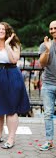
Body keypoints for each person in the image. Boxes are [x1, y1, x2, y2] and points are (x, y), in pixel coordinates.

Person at [0, 22, 30, 149]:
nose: (1, 31)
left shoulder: (14, 44)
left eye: (3, 29)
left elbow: (14, 60)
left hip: (10, 75)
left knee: (11, 108)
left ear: (7, 31)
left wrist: (7, 45)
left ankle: (11, 138)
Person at [38, 20, 56, 151]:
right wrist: (48, 49)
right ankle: (49, 141)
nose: (53, 30)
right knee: (48, 114)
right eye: (51, 29)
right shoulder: (44, 45)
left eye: (55, 28)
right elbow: (42, 64)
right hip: (48, 84)